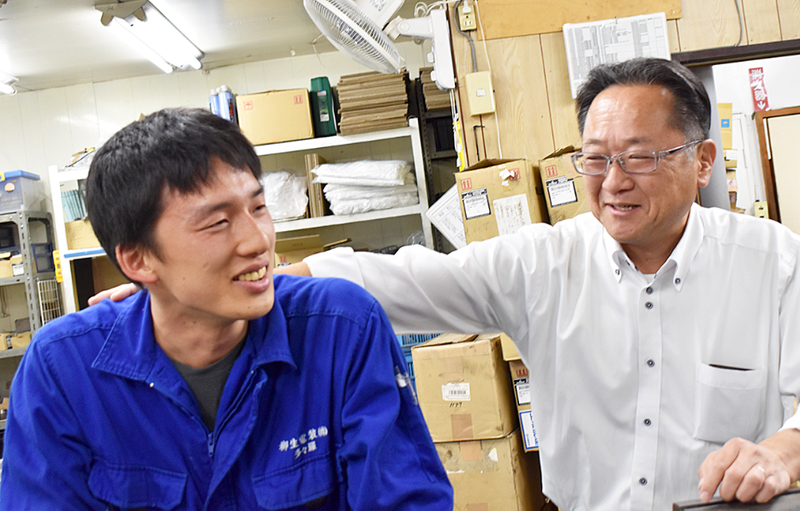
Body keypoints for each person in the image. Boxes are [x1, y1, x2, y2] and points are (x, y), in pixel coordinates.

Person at [88, 58, 800, 510]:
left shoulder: (773, 262)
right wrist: (201, 286)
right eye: (594, 158)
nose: (612, 182)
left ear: (701, 159)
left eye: (639, 158)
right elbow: (399, 280)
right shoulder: (543, 263)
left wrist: (776, 454)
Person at [0, 108, 452, 510]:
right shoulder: (63, 371)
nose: (258, 241)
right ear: (138, 261)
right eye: (217, 223)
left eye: (259, 207)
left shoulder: (341, 330)